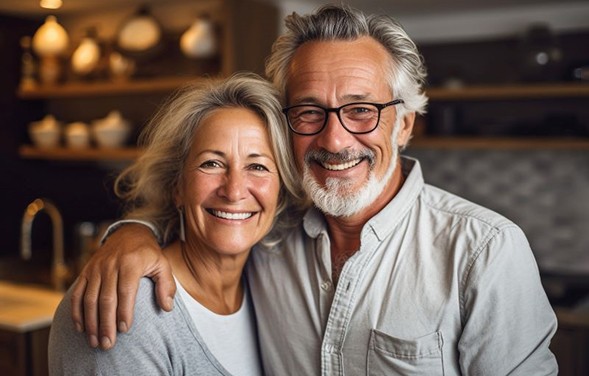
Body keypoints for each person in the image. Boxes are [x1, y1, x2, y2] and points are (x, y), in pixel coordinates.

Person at [71, 5, 559, 375]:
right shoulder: (270, 234)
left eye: (361, 109)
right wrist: (130, 235)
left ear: (405, 124)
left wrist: (128, 233)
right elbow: (212, 208)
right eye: (309, 111)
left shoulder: (484, 252)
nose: (334, 139)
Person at [49, 73, 305, 375]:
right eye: (212, 163)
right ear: (178, 187)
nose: (234, 190)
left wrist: (133, 230)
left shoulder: (270, 283)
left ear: (281, 192)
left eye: (257, 166)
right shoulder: (128, 307)